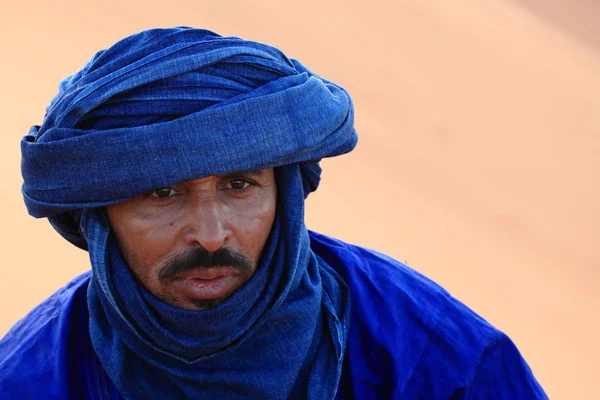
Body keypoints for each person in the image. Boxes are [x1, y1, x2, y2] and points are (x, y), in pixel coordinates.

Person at [0, 27, 547, 399]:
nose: (211, 235)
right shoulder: (27, 381)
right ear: (99, 217)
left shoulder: (438, 364)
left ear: (285, 194)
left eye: (240, 186)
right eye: (162, 194)